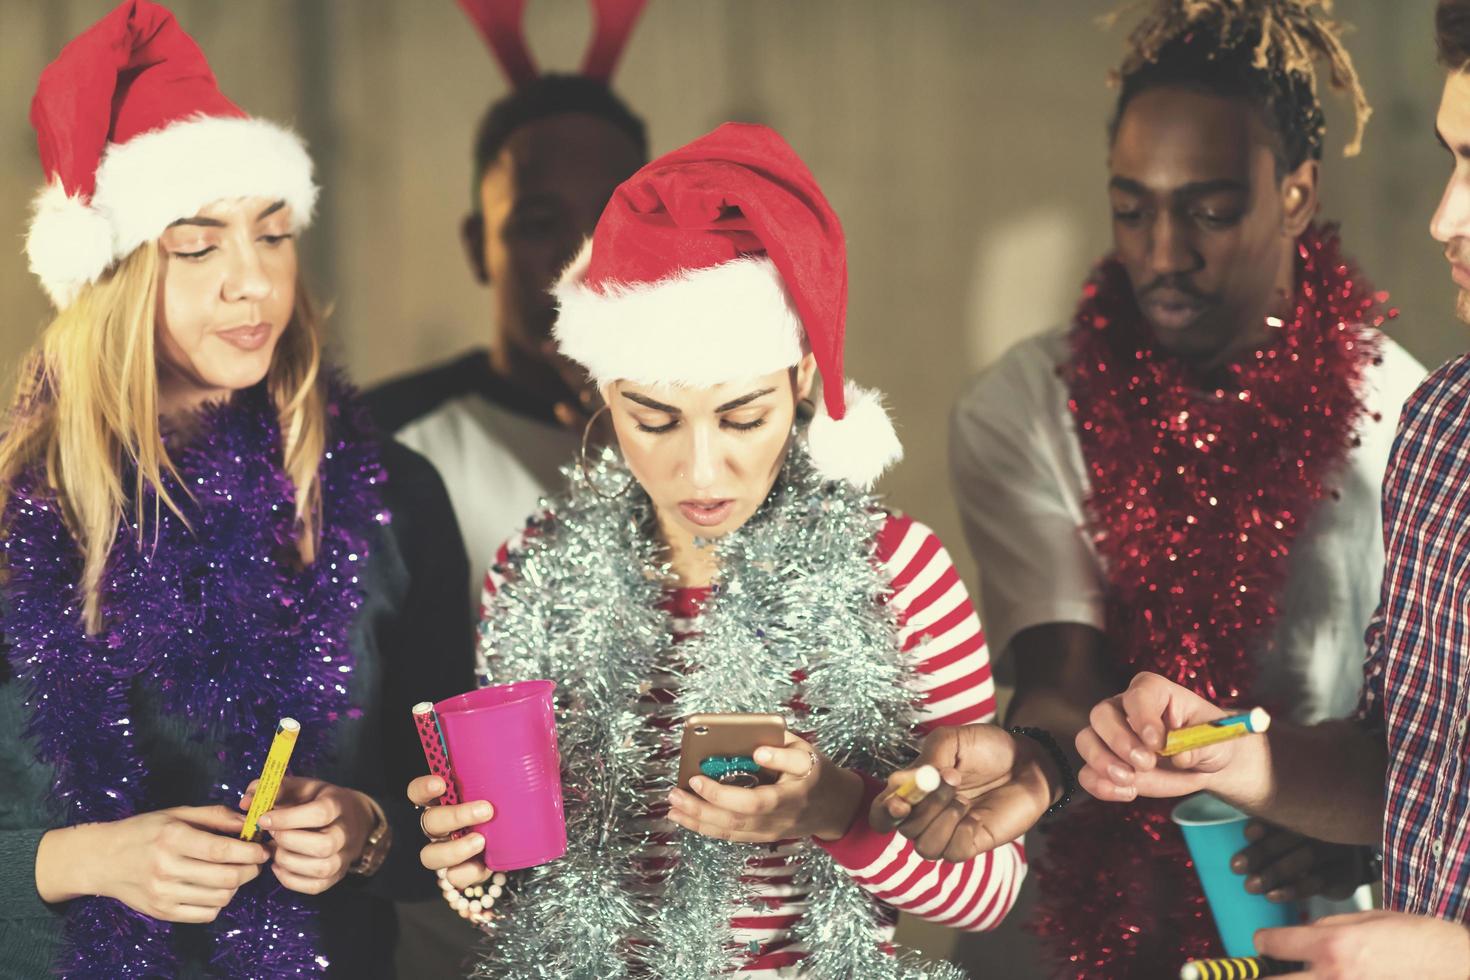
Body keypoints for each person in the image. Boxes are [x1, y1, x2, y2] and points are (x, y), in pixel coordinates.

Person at [407, 123, 1033, 978]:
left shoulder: (897, 573)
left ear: (802, 378)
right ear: (602, 387)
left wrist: (838, 808)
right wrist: (473, 868)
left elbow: (991, 887)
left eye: (742, 417)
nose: (701, 469)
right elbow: (535, 895)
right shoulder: (537, 571)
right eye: (652, 419)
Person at [930, 0, 1426, 975]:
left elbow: (1432, 730)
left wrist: (1368, 819)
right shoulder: (1025, 406)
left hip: (1317, 922)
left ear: (1295, 193)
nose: (1162, 251)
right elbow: (1062, 668)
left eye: (1208, 209)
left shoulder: (1410, 420)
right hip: (1080, 920)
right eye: (1132, 207)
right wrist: (1036, 756)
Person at [0, 3, 472, 976]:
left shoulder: (389, 496)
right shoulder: (17, 512)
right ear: (113, 272)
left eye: (271, 233)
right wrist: (83, 857)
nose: (251, 281)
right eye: (198, 243)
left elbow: (462, 833)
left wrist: (369, 829)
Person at [1072, 3, 1470, 976]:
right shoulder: (1443, 433)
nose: (1444, 215)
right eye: (1456, 156)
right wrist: (1232, 754)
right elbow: (1408, 765)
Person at [367, 0, 649, 609]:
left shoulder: (740, 433)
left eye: (614, 218)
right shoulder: (384, 441)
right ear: (477, 247)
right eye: (538, 223)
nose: (582, 254)